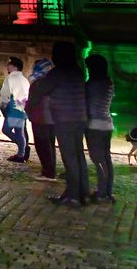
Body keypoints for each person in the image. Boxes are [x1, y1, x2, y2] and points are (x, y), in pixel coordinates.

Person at [45, 41, 89, 206]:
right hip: (79, 118)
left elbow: (43, 88)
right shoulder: (77, 71)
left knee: (70, 158)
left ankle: (73, 195)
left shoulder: (57, 73)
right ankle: (82, 192)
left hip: (64, 119)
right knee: (78, 156)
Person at [84, 54, 114, 203]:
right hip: (107, 124)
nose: (88, 70)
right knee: (106, 159)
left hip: (94, 124)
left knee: (98, 159)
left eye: (89, 67)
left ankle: (101, 194)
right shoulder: (108, 82)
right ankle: (108, 192)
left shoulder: (92, 84)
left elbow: (86, 102)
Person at [26, 58, 58, 182]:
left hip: (40, 118)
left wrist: (28, 111)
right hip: (52, 119)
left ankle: (47, 172)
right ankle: (51, 170)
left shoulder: (37, 83)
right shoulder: (53, 82)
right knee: (50, 145)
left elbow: (32, 102)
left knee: (42, 146)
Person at [0, 56, 30, 162]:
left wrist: (3, 105)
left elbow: (5, 94)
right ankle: (21, 153)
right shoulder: (24, 79)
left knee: (6, 130)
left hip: (13, 107)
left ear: (14, 67)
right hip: (22, 107)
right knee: (19, 131)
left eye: (9, 65)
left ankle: (22, 149)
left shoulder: (10, 79)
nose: (7, 67)